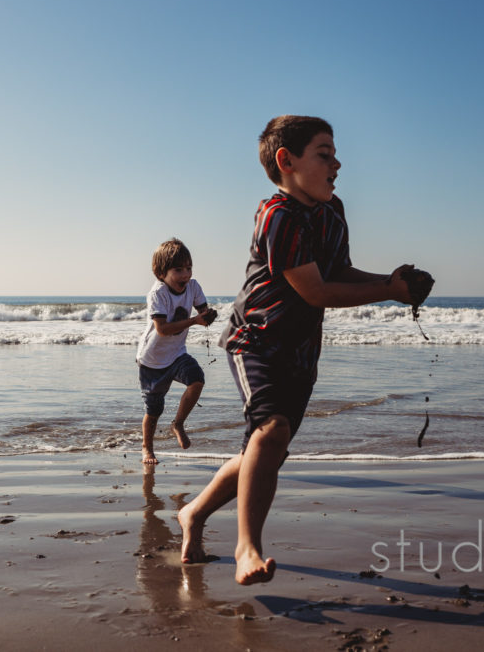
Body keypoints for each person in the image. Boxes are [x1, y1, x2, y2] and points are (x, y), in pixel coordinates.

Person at [177, 115, 431, 585]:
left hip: (300, 350)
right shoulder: (279, 216)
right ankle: (246, 548)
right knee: (270, 432)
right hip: (256, 340)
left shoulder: (332, 213)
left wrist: (391, 283)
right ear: (286, 161)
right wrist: (389, 292)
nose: (338, 163)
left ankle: (193, 513)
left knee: (267, 449)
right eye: (325, 153)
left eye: (335, 153)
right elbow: (315, 291)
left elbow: (339, 271)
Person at [135, 238, 218, 465]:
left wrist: (209, 316)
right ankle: (147, 449)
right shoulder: (158, 293)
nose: (186, 275)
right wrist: (194, 321)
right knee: (153, 409)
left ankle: (178, 423)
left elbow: (203, 313)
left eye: (189, 268)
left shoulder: (193, 287)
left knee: (197, 380)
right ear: (162, 273)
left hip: (177, 354)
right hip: (152, 360)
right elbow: (161, 329)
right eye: (178, 270)